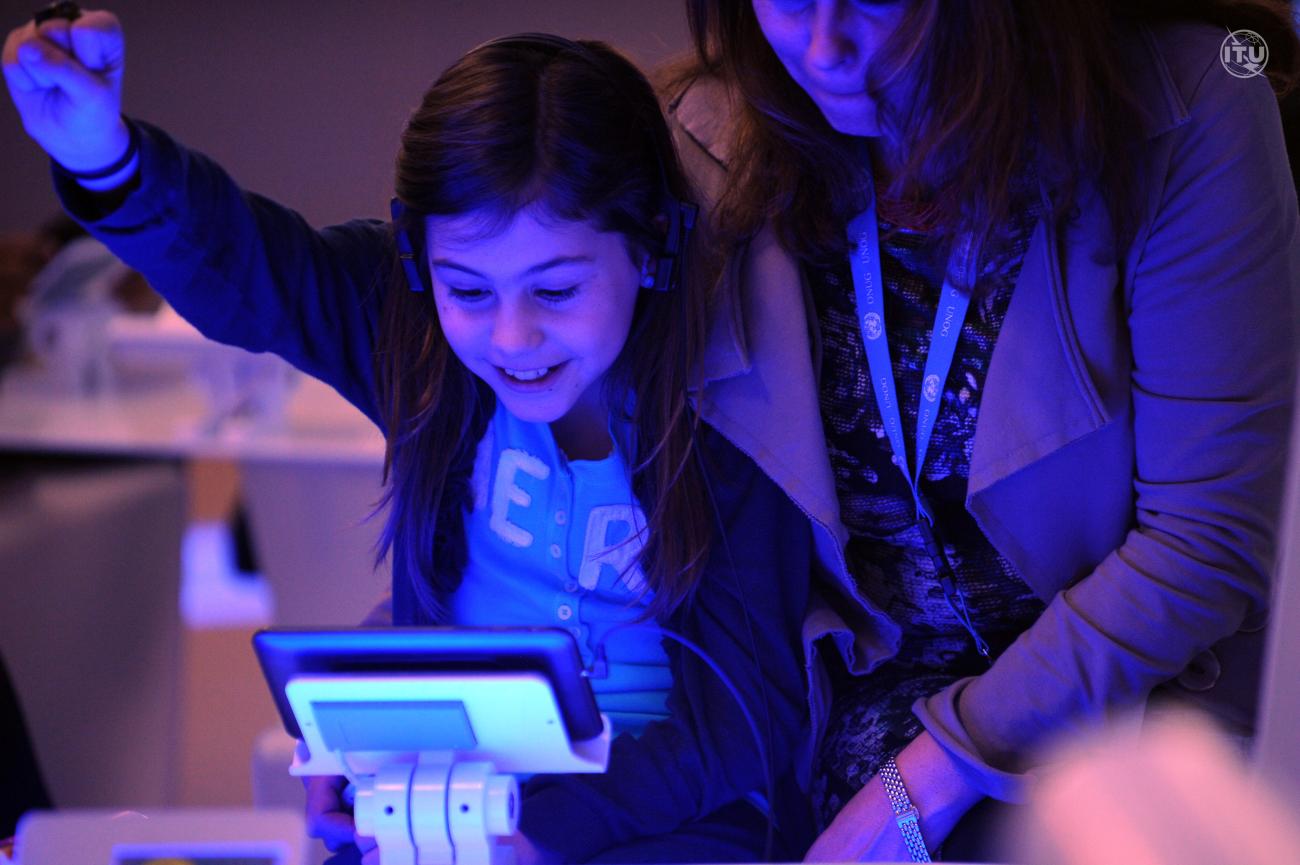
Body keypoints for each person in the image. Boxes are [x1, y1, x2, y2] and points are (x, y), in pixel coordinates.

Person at [2, 8, 816, 864]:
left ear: (653, 248)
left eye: (555, 291)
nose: (511, 339)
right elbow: (249, 268)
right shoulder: (411, 326)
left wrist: (538, 834)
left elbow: (747, 713)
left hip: (678, 814)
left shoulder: (735, 389)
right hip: (454, 788)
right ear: (419, 262)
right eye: (468, 290)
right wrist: (104, 155)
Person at [661, 0, 1300, 860]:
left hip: (1109, 712)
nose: (825, 47)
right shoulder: (705, 137)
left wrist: (919, 785)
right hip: (814, 728)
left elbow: (1205, 542)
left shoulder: (1198, 96)